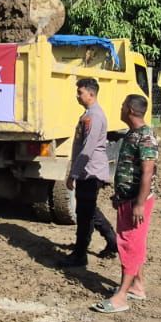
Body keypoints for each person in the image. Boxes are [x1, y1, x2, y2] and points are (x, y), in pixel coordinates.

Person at [92, 95, 157, 314]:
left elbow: (148, 172)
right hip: (127, 199)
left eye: (121, 105)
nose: (119, 109)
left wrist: (139, 204)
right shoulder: (132, 134)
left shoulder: (146, 137)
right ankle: (137, 286)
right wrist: (119, 195)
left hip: (137, 202)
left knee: (130, 245)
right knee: (131, 242)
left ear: (129, 109)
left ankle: (121, 297)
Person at [65, 78, 117, 266]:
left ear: (91, 94)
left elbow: (87, 149)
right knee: (88, 210)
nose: (77, 96)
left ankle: (80, 254)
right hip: (89, 170)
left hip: (90, 171)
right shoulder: (89, 114)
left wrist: (74, 173)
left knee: (84, 213)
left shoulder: (94, 117)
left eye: (80, 92)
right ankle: (112, 241)